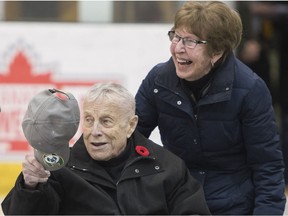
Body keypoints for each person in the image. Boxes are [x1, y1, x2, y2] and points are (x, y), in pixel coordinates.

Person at [135, 1, 286, 215]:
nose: (178, 48)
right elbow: (128, 138)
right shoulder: (159, 81)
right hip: (175, 200)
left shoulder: (250, 89)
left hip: (232, 207)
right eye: (176, 37)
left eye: (190, 41)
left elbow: (267, 168)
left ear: (217, 52)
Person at [1, 82, 211, 215]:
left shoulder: (167, 167)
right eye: (89, 120)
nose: (95, 131)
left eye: (106, 121)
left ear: (130, 125)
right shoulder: (60, 169)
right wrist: (31, 186)